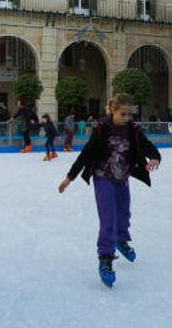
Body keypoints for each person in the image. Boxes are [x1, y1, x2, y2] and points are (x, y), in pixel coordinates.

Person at [58, 93, 162, 288]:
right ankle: (105, 258)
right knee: (108, 218)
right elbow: (86, 153)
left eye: (129, 115)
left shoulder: (133, 130)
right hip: (103, 177)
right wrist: (69, 177)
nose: (127, 118)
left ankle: (121, 240)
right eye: (123, 114)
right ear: (112, 111)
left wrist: (155, 158)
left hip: (122, 178)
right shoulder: (102, 129)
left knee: (123, 214)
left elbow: (149, 147)